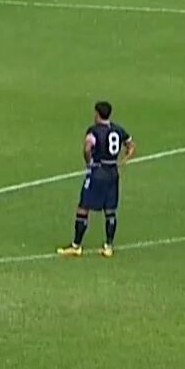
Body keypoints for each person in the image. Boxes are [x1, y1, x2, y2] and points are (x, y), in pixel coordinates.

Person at [58, 101, 134, 258]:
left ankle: (76, 246)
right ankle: (109, 246)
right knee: (110, 210)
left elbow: (87, 147)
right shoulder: (118, 130)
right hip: (112, 172)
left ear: (97, 114)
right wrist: (123, 161)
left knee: (83, 207)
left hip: (98, 172)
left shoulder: (94, 131)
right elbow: (131, 145)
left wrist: (89, 161)